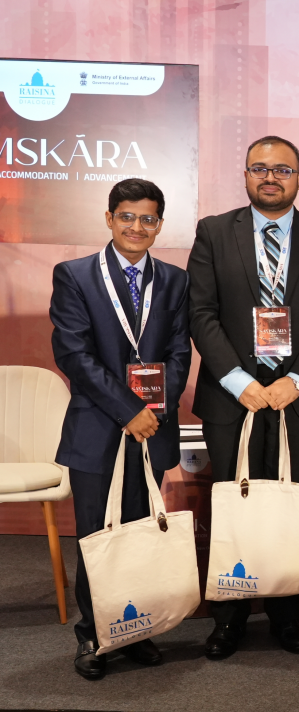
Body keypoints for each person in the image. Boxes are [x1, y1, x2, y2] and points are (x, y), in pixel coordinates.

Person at [188, 135, 299, 659]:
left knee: (289, 508)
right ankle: (228, 620)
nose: (270, 177)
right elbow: (201, 313)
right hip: (232, 397)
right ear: (246, 175)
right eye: (260, 168)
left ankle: (286, 616)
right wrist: (240, 380)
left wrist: (295, 380)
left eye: (282, 169)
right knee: (233, 503)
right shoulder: (214, 232)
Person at [51, 179, 192, 679]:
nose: (137, 227)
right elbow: (74, 353)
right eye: (127, 217)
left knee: (140, 532)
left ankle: (137, 630)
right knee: (98, 536)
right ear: (109, 218)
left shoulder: (174, 280)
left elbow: (179, 352)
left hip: (152, 429)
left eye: (148, 219)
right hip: (98, 427)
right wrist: (129, 409)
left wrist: (152, 410)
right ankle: (93, 635)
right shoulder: (75, 275)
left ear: (159, 225)